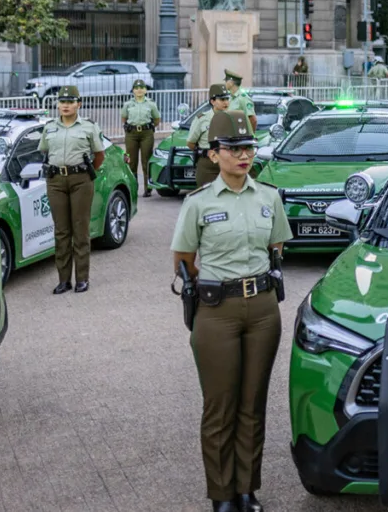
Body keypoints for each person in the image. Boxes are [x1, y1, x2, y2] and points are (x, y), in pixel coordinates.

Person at [172, 109, 293, 512]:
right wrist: (210, 289)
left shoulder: (269, 198)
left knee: (252, 402)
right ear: (213, 154)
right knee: (220, 405)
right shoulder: (198, 203)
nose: (243, 155)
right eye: (233, 148)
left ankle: (246, 488)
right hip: (217, 309)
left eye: (248, 148)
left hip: (262, 309)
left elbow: (276, 249)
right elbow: (185, 259)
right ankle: (222, 494)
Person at [39, 85, 105, 295]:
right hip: (56, 181)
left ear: (79, 104)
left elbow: (99, 155)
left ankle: (82, 279)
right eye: (62, 102)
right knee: (61, 231)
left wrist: (84, 173)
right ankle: (63, 280)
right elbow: (44, 151)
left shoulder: (88, 127)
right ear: (57, 104)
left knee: (80, 229)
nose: (65, 106)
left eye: (70, 102)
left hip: (81, 180)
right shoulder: (49, 127)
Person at [121, 79, 161, 198]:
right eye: (136, 88)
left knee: (146, 160)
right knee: (131, 161)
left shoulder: (151, 104)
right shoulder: (127, 104)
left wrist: (149, 127)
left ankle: (147, 188)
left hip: (146, 133)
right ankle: (133, 188)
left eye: (141, 88)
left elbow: (157, 119)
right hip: (131, 134)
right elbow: (124, 118)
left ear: (145, 90)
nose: (139, 90)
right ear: (133, 90)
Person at [188, 84, 231, 188]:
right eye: (221, 99)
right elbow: (190, 143)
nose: (226, 102)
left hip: (228, 163)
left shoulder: (232, 118)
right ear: (212, 101)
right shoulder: (202, 119)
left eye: (227, 99)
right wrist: (205, 152)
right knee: (206, 197)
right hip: (208, 164)